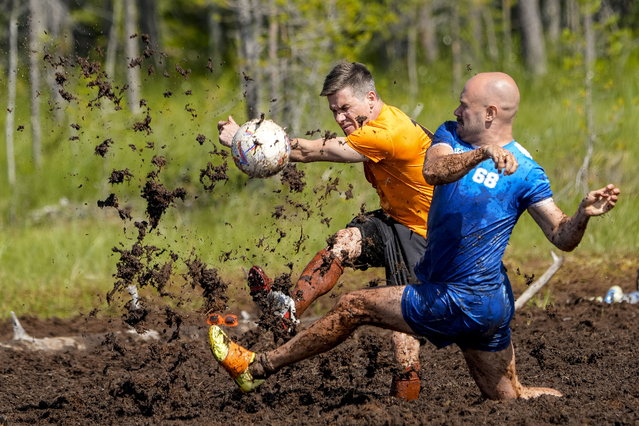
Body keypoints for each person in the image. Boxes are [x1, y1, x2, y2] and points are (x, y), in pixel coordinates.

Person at [209, 71, 620, 399]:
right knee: (509, 397)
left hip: (467, 296)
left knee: (355, 306)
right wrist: (481, 153)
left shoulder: (527, 172)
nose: (456, 110)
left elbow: (562, 236)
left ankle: (257, 367)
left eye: (465, 105)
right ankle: (289, 311)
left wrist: (583, 214)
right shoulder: (449, 136)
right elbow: (435, 171)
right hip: (469, 293)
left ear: (491, 114)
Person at [217, 61, 434, 400]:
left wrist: (247, 141)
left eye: (345, 108)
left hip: (425, 234)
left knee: (402, 325)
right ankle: (288, 311)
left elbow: (312, 150)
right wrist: (246, 141)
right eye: (334, 111)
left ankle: (407, 400)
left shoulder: (389, 133)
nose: (340, 118)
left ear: (371, 98)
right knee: (343, 243)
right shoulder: (377, 122)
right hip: (396, 219)